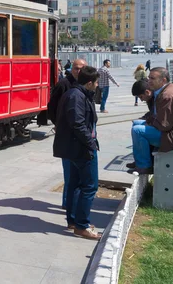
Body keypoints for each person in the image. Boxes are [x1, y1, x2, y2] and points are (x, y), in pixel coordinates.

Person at [53, 66, 101, 240]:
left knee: (74, 184)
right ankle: (82, 225)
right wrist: (91, 144)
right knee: (89, 186)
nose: (97, 86)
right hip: (80, 149)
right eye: (96, 83)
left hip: (74, 148)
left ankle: (74, 221)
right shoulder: (76, 96)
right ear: (89, 83)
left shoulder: (77, 94)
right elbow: (78, 124)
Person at [128, 67, 173, 174]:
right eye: (149, 77)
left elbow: (164, 125)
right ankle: (140, 161)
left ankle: (144, 166)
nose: (149, 81)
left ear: (163, 80)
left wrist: (149, 122)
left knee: (138, 131)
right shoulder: (166, 90)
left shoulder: (167, 96)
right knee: (136, 124)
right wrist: (149, 121)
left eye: (152, 78)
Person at [47, 58, 87, 209]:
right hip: (67, 135)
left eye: (82, 68)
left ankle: (73, 202)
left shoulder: (85, 83)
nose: (78, 71)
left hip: (81, 135)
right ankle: (68, 203)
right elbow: (52, 106)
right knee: (69, 172)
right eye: (76, 68)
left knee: (79, 173)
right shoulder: (64, 84)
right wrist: (58, 124)